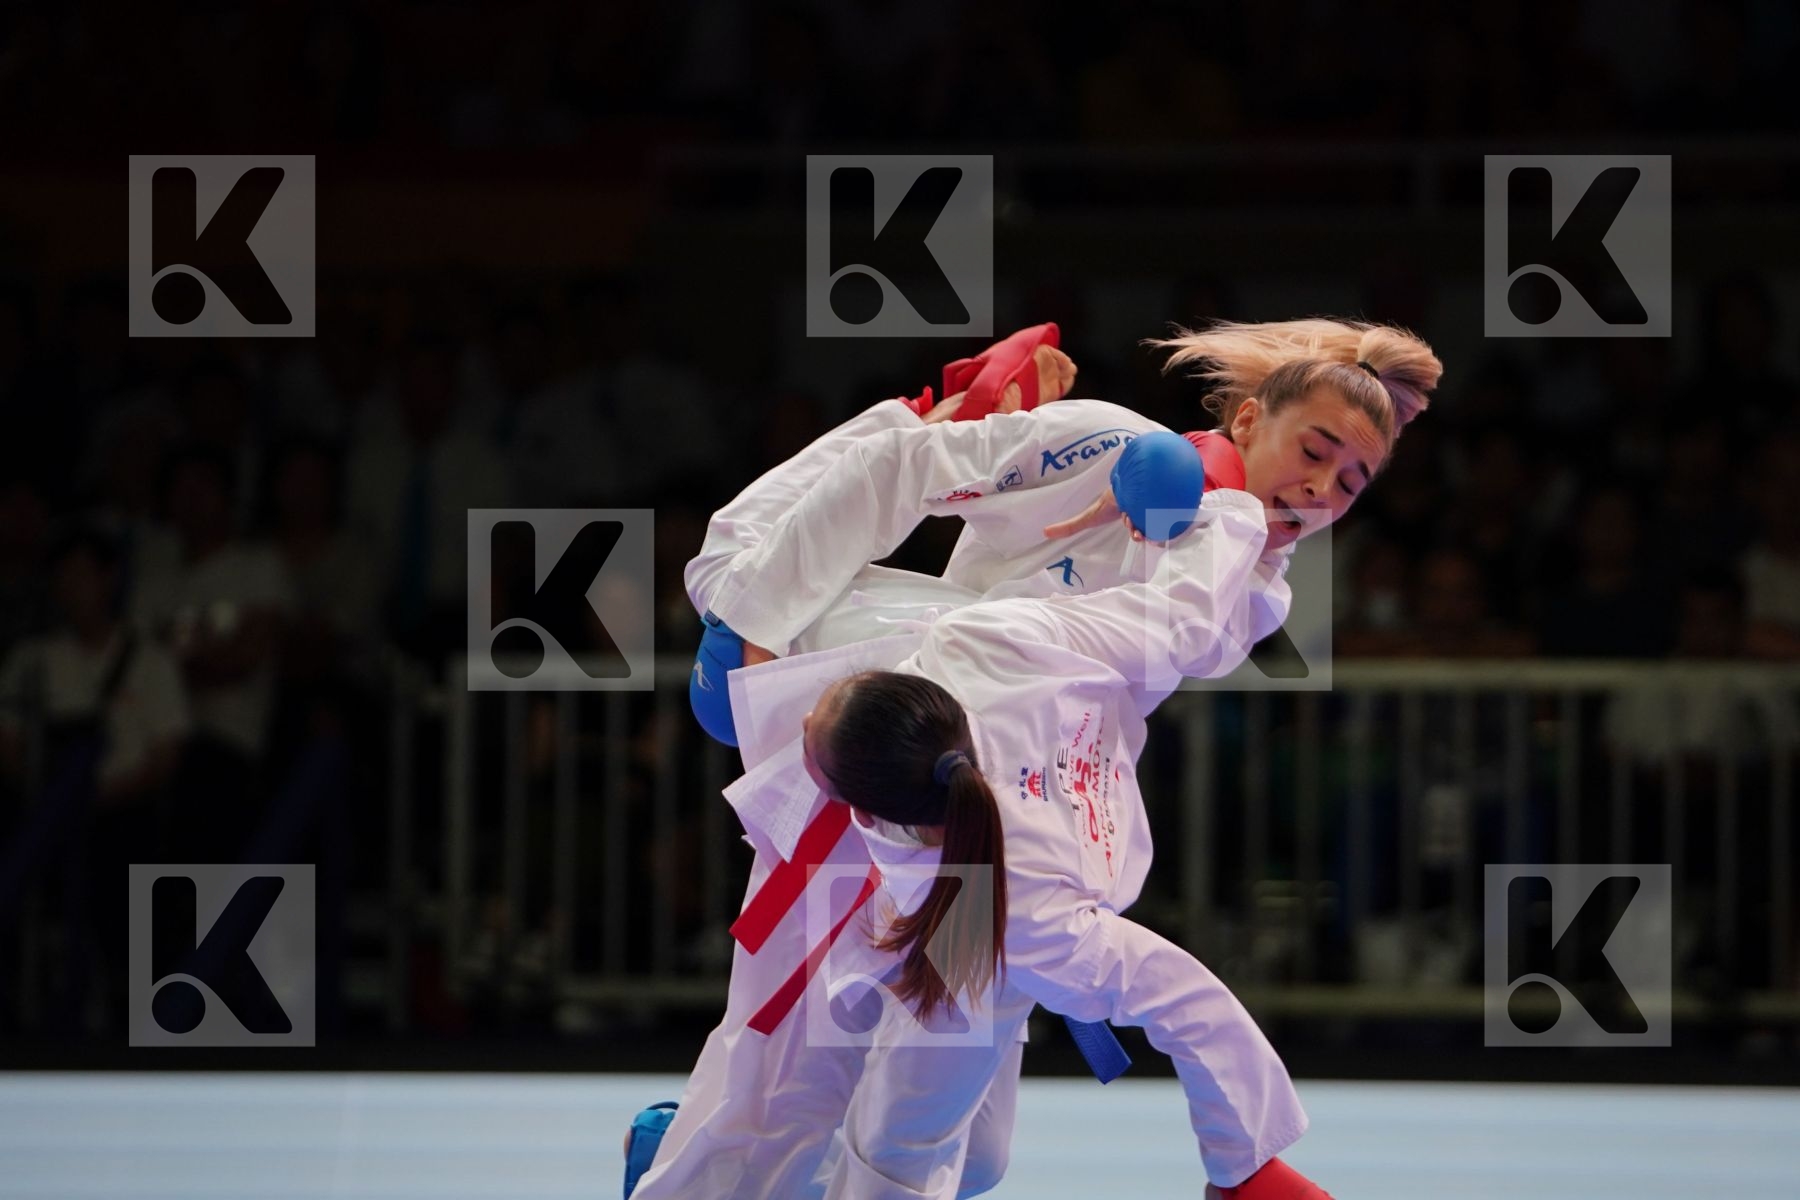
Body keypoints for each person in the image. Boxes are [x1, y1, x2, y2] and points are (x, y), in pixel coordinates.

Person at [632, 317, 1440, 1198]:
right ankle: (685, 1173)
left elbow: (1178, 626)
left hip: (1003, 838)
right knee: (788, 1085)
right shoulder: (1109, 439)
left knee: (962, 1147)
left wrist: (1207, 502)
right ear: (1249, 421)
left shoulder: (1255, 585)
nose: (1320, 489)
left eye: (1351, 482)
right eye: (1313, 450)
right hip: (886, 768)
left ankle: (685, 1160)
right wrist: (756, 619)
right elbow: (902, 467)